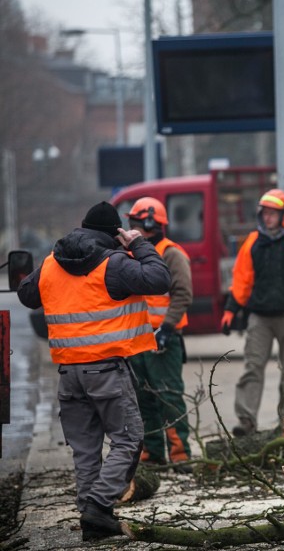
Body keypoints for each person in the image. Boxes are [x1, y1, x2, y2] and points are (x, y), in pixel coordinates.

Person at [17, 201, 170, 541]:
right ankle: (99, 507)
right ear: (113, 234)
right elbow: (159, 279)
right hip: (106, 371)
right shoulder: (113, 264)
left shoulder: (50, 264)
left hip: (69, 374)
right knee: (128, 439)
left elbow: (27, 295)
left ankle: (92, 520)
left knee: (86, 449)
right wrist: (139, 244)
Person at [220, 188, 284, 436]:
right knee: (252, 368)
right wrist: (231, 310)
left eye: (273, 213)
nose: (268, 218)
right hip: (260, 318)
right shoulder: (253, 243)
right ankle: (246, 422)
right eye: (264, 213)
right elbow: (241, 280)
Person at [124, 197, 194, 474]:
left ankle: (181, 456)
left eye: (136, 222)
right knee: (143, 398)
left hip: (163, 338)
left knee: (169, 397)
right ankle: (153, 452)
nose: (131, 227)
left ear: (151, 223)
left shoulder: (171, 253)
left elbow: (183, 294)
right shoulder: (130, 254)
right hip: (137, 338)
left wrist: (166, 328)